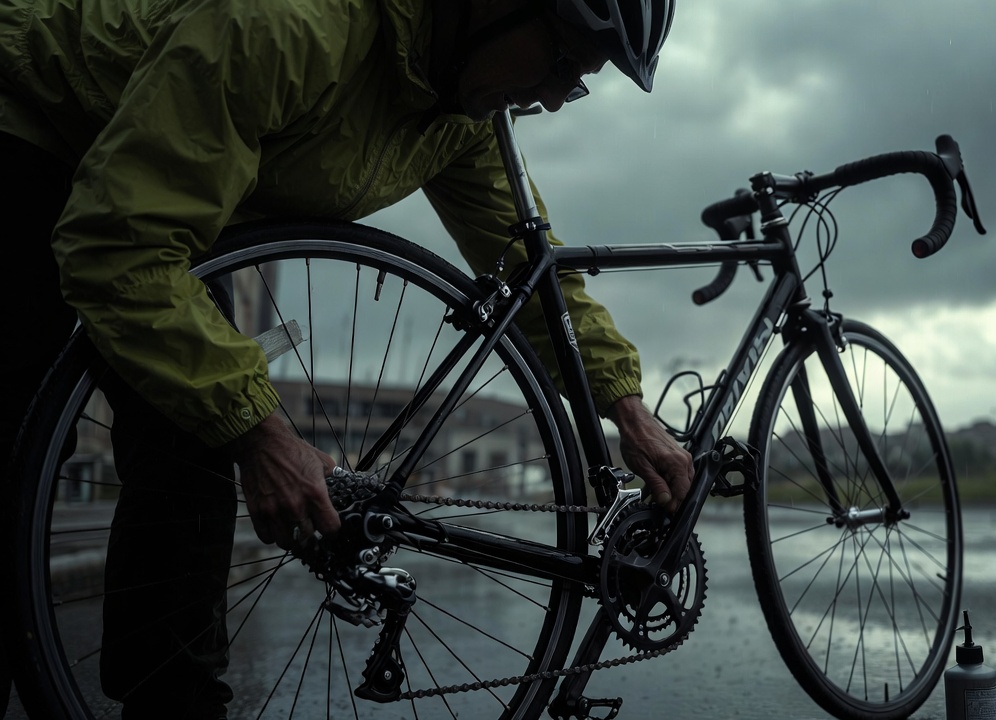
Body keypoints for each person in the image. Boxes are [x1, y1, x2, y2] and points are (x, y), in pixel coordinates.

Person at [0, 0, 689, 715]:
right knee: (17, 441)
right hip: (35, 123)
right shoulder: (291, 25)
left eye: (576, 83)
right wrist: (263, 432)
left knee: (192, 431)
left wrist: (625, 408)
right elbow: (120, 246)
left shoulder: (460, 114)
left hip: (165, 185)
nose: (551, 99)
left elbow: (526, 265)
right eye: (563, 62)